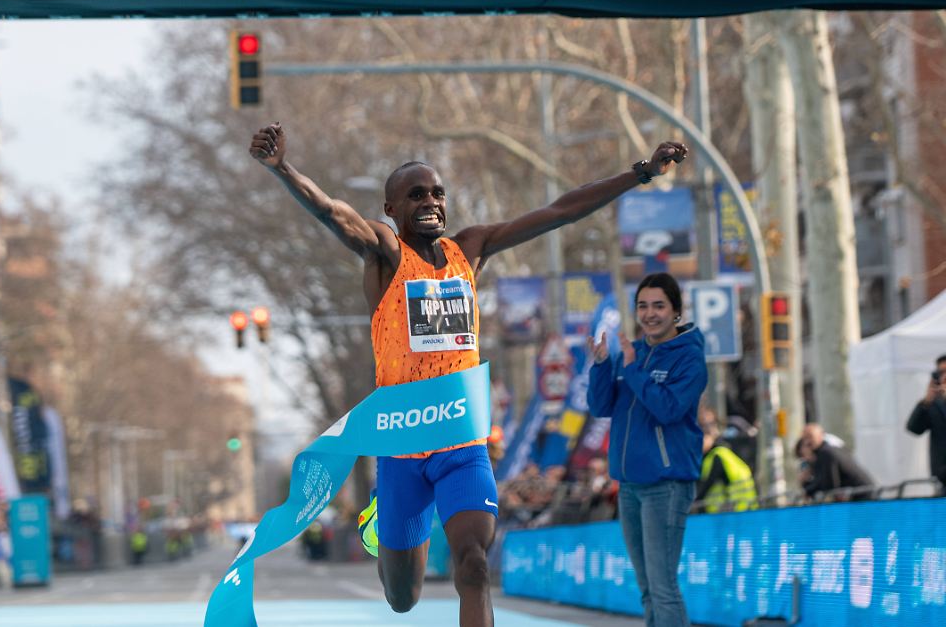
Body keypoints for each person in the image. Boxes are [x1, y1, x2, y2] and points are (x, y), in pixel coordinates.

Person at [250, 122, 687, 626]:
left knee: (475, 567)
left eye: (438, 192)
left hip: (461, 441)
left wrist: (642, 173)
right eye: (416, 195)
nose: (431, 201)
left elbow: (561, 211)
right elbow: (333, 213)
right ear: (391, 209)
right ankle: (383, 515)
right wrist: (283, 168)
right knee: (402, 598)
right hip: (402, 448)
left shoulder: (470, 249)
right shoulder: (385, 253)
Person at [587, 273, 708, 627]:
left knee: (663, 586)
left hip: (666, 486)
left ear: (675, 312)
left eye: (659, 305)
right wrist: (600, 366)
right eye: (643, 305)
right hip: (629, 487)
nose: (650, 313)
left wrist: (633, 370)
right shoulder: (633, 352)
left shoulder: (689, 359)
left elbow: (668, 409)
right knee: (647, 589)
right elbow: (600, 407)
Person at [798, 423, 875, 501]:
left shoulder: (827, 452)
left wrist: (807, 489)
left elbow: (829, 484)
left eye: (810, 437)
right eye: (805, 438)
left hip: (863, 497)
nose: (807, 441)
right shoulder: (828, 450)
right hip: (861, 496)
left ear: (821, 436)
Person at [905, 354, 946, 488]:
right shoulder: (935, 403)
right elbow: (914, 428)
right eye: (941, 372)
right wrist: (926, 401)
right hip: (942, 478)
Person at [695, 429, 757, 513]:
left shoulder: (716, 455)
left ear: (709, 438)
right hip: (745, 505)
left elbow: (707, 483)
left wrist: (694, 501)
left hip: (733, 507)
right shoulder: (724, 451)